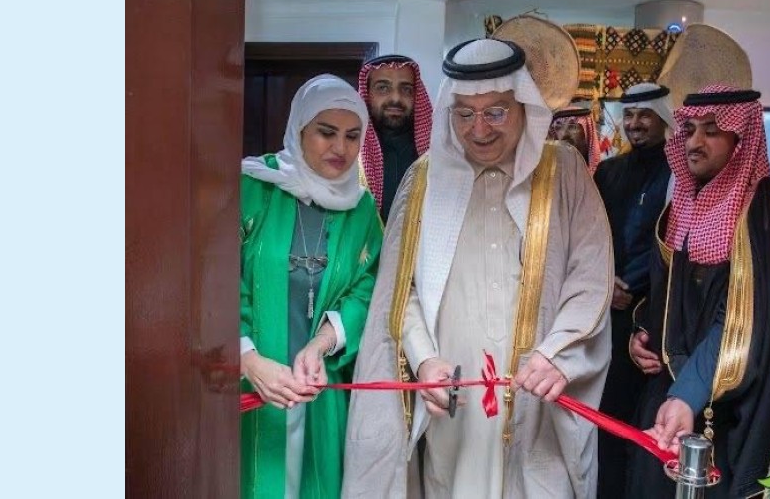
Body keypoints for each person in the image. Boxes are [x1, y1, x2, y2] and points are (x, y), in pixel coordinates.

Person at [343, 38, 614, 498]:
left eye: (496, 112)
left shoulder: (563, 171)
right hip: (452, 397)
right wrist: (424, 360)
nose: (479, 129)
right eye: (465, 113)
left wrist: (558, 353)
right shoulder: (423, 180)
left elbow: (590, 276)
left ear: (523, 106)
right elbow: (400, 291)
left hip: (538, 393)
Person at [626, 84, 770, 498]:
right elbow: (666, 292)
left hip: (723, 406)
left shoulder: (766, 210)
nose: (695, 142)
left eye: (711, 130)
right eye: (689, 130)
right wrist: (642, 330)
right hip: (671, 398)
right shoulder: (681, 206)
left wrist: (688, 393)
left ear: (741, 139)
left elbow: (746, 320)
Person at [239, 74, 384, 499]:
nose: (340, 148)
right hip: (248, 382)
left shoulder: (361, 209)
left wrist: (322, 343)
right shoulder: (252, 188)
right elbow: (215, 281)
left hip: (320, 388)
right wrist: (247, 360)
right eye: (326, 132)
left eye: (352, 136)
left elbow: (368, 288)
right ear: (299, 129)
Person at [591, 81, 675, 498]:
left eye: (645, 115)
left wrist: (636, 291)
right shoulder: (608, 172)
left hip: (655, 316)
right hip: (604, 310)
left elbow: (672, 244)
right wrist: (605, 283)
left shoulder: (677, 172)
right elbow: (589, 234)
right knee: (606, 418)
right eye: (629, 115)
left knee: (645, 420)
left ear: (663, 117)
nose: (635, 123)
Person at [357, 54, 433, 220]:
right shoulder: (350, 153)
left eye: (406, 89)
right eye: (383, 88)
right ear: (367, 94)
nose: (396, 98)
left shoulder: (435, 154)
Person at [549, 106, 602, 173]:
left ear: (587, 131)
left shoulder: (603, 172)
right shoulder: (548, 170)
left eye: (573, 127)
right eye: (559, 127)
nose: (564, 134)